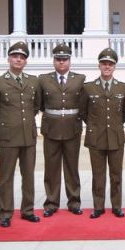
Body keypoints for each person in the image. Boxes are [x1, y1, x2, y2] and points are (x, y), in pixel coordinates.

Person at [0, 41, 41, 227]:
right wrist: (4, 125)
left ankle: (28, 210)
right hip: (8, 136)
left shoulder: (33, 81)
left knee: (29, 175)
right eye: (15, 56)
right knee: (6, 176)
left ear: (26, 61)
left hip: (28, 135)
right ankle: (5, 212)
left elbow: (35, 106)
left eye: (22, 57)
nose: (19, 59)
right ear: (9, 58)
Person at [80, 48, 125, 217]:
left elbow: (124, 112)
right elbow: (83, 112)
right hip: (96, 137)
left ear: (115, 67)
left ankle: (116, 205)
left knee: (116, 174)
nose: (107, 67)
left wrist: (114, 125)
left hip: (116, 137)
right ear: (99, 66)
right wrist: (96, 125)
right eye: (104, 64)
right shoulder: (88, 88)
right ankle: (98, 206)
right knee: (98, 175)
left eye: (110, 64)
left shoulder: (123, 88)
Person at [39, 43, 85, 217]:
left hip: (72, 128)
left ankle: (74, 201)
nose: (61, 63)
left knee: (72, 167)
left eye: (64, 59)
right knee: (51, 168)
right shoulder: (43, 79)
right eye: (58, 59)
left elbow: (83, 104)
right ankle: (51, 203)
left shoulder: (79, 79)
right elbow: (40, 104)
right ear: (54, 61)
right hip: (51, 128)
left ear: (69, 61)